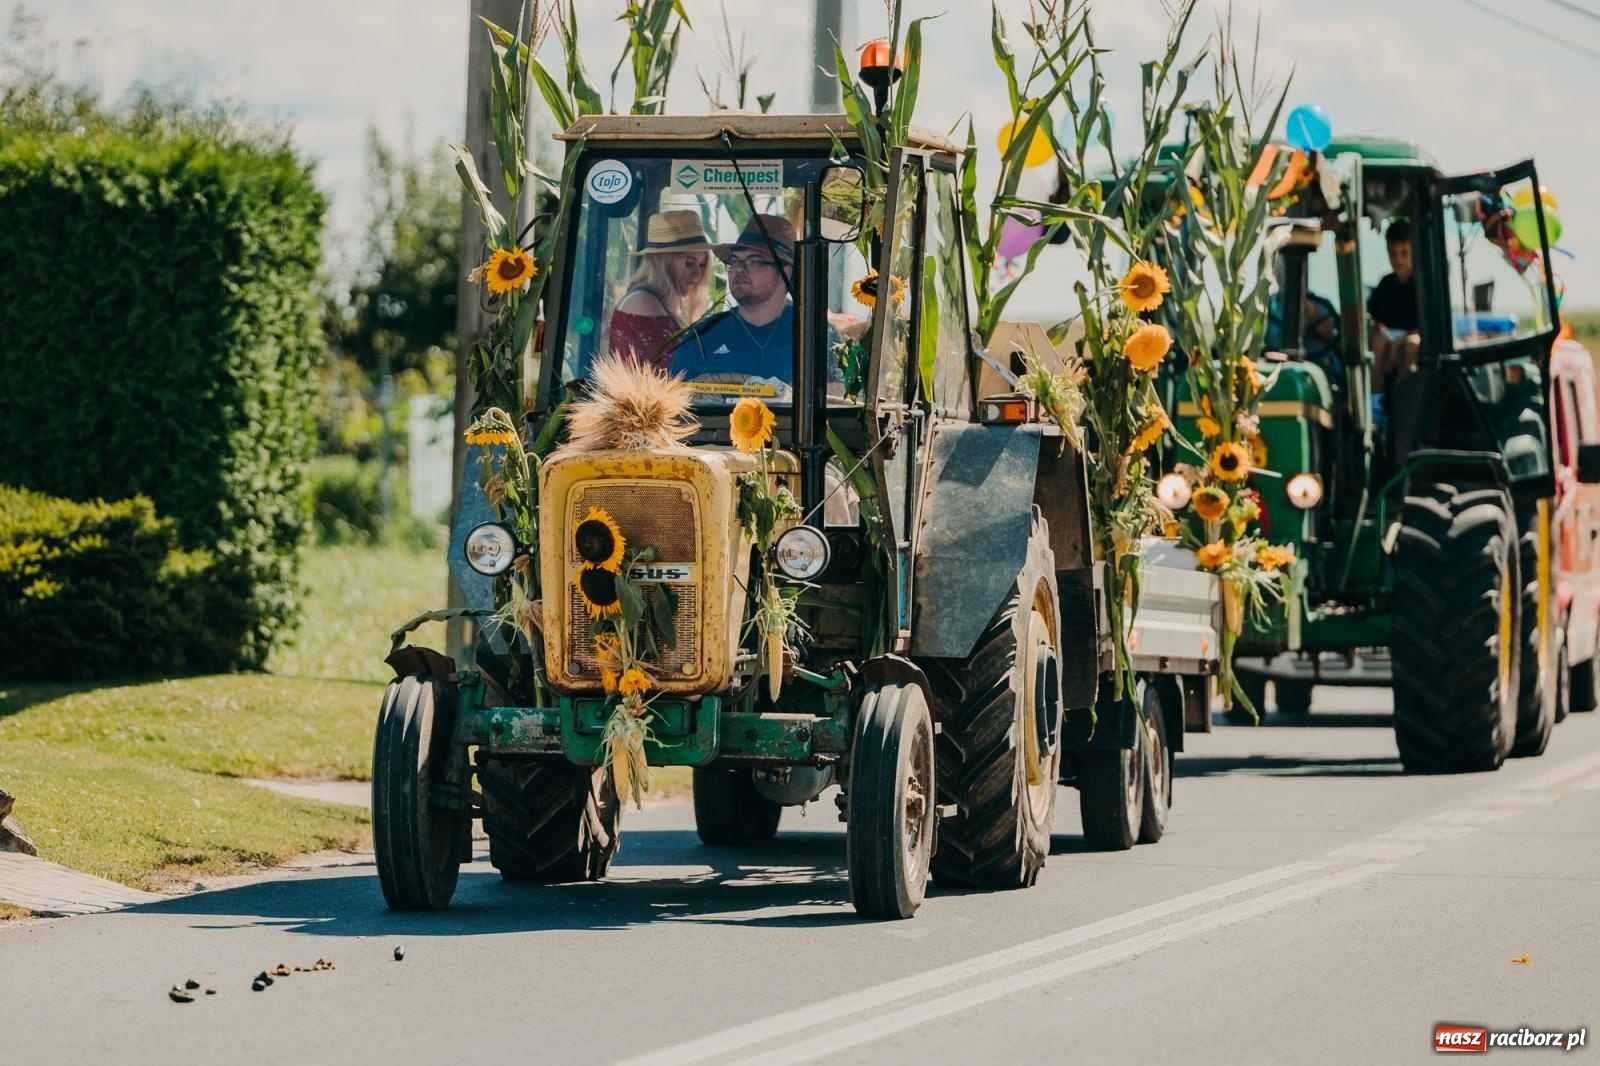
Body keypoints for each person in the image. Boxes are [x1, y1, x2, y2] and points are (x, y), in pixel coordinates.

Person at [671, 214, 798, 400]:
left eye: (754, 261)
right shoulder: (701, 338)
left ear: (784, 273)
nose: (739, 269)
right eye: (735, 261)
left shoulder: (812, 337)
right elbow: (675, 412)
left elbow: (832, 405)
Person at [609, 210, 712, 372]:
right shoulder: (643, 301)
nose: (697, 274)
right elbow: (667, 372)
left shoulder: (655, 301)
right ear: (665, 262)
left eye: (702, 264)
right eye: (689, 263)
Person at [1368, 220, 1419, 394]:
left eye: (1404, 253)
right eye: (1393, 253)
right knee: (1377, 341)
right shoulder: (1385, 284)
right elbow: (1373, 317)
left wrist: (1397, 345)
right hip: (1388, 339)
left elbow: (1421, 330)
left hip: (1412, 339)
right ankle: (1376, 401)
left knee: (1413, 345)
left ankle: (1400, 399)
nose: (1398, 259)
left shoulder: (1421, 286)